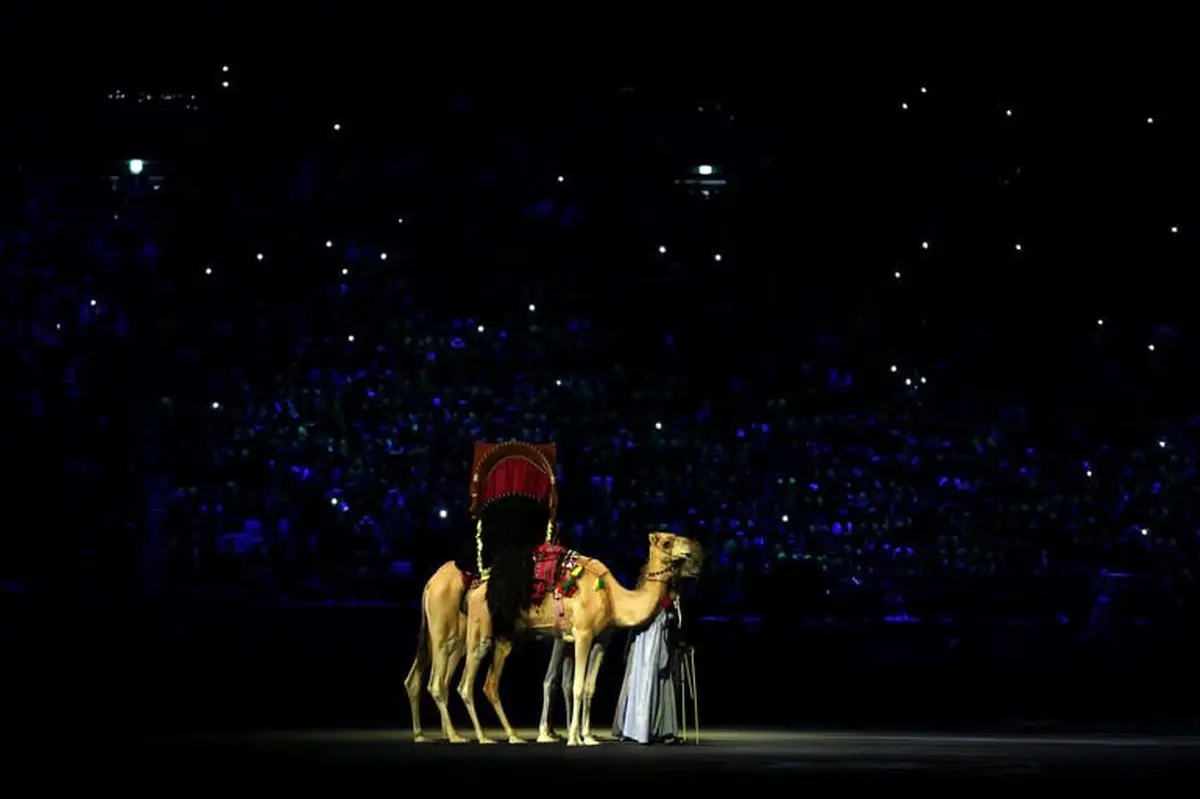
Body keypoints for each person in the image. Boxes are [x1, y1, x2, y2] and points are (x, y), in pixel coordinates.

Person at [612, 583, 686, 744]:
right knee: (639, 676)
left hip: (657, 632)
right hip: (644, 632)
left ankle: (660, 727)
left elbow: (672, 615)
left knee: (658, 676)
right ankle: (633, 726)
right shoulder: (645, 583)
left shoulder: (667, 584)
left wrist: (670, 606)